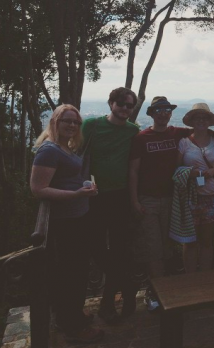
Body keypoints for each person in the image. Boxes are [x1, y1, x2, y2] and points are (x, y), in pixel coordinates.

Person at [129, 97, 214, 310]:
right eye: (158, 110)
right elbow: (137, 170)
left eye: (166, 109)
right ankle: (160, 291)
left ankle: (189, 285)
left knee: (178, 244)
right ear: (152, 113)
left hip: (188, 198)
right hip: (164, 199)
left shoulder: (187, 135)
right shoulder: (145, 138)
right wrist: (134, 199)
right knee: (167, 245)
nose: (163, 113)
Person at [30, 104, 104, 344]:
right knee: (70, 273)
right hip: (65, 222)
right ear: (55, 123)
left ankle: (73, 313)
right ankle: (71, 325)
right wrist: (76, 196)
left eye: (76, 122)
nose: (72, 125)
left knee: (78, 270)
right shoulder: (49, 150)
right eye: (67, 121)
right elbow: (38, 189)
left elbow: (66, 178)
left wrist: (84, 188)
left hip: (77, 217)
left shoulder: (64, 147)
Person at [82, 87, 139, 324]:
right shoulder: (92, 126)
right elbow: (76, 154)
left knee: (118, 250)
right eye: (122, 104)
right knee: (95, 246)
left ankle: (107, 304)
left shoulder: (133, 131)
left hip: (120, 197)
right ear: (111, 103)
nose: (125, 109)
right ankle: (128, 285)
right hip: (94, 197)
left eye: (130, 106)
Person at [177, 103, 214, 273]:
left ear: (209, 121)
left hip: (211, 197)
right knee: (190, 241)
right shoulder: (184, 143)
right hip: (190, 198)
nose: (201, 120)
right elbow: (177, 169)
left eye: (204, 117)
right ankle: (191, 278)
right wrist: (192, 174)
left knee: (207, 241)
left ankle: (205, 279)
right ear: (192, 121)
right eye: (197, 117)